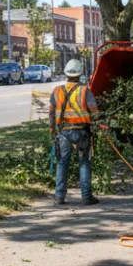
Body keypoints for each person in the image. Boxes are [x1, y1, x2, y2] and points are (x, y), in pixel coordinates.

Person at [49, 59, 100, 206]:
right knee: (84, 163)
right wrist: (96, 125)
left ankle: (59, 196)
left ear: (66, 73)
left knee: (62, 163)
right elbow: (94, 110)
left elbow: (51, 112)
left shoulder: (57, 90)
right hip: (82, 132)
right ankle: (86, 197)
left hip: (63, 132)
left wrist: (52, 130)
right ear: (80, 74)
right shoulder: (85, 90)